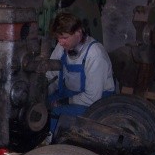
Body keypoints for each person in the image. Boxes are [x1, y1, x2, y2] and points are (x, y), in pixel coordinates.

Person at [46, 12, 115, 142]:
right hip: (69, 94)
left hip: (97, 101)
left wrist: (63, 102)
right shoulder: (61, 47)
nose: (60, 42)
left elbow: (92, 97)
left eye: (64, 38)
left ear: (78, 33)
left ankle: (57, 148)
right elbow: (51, 75)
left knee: (56, 112)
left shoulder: (94, 54)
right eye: (58, 38)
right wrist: (43, 93)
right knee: (43, 105)